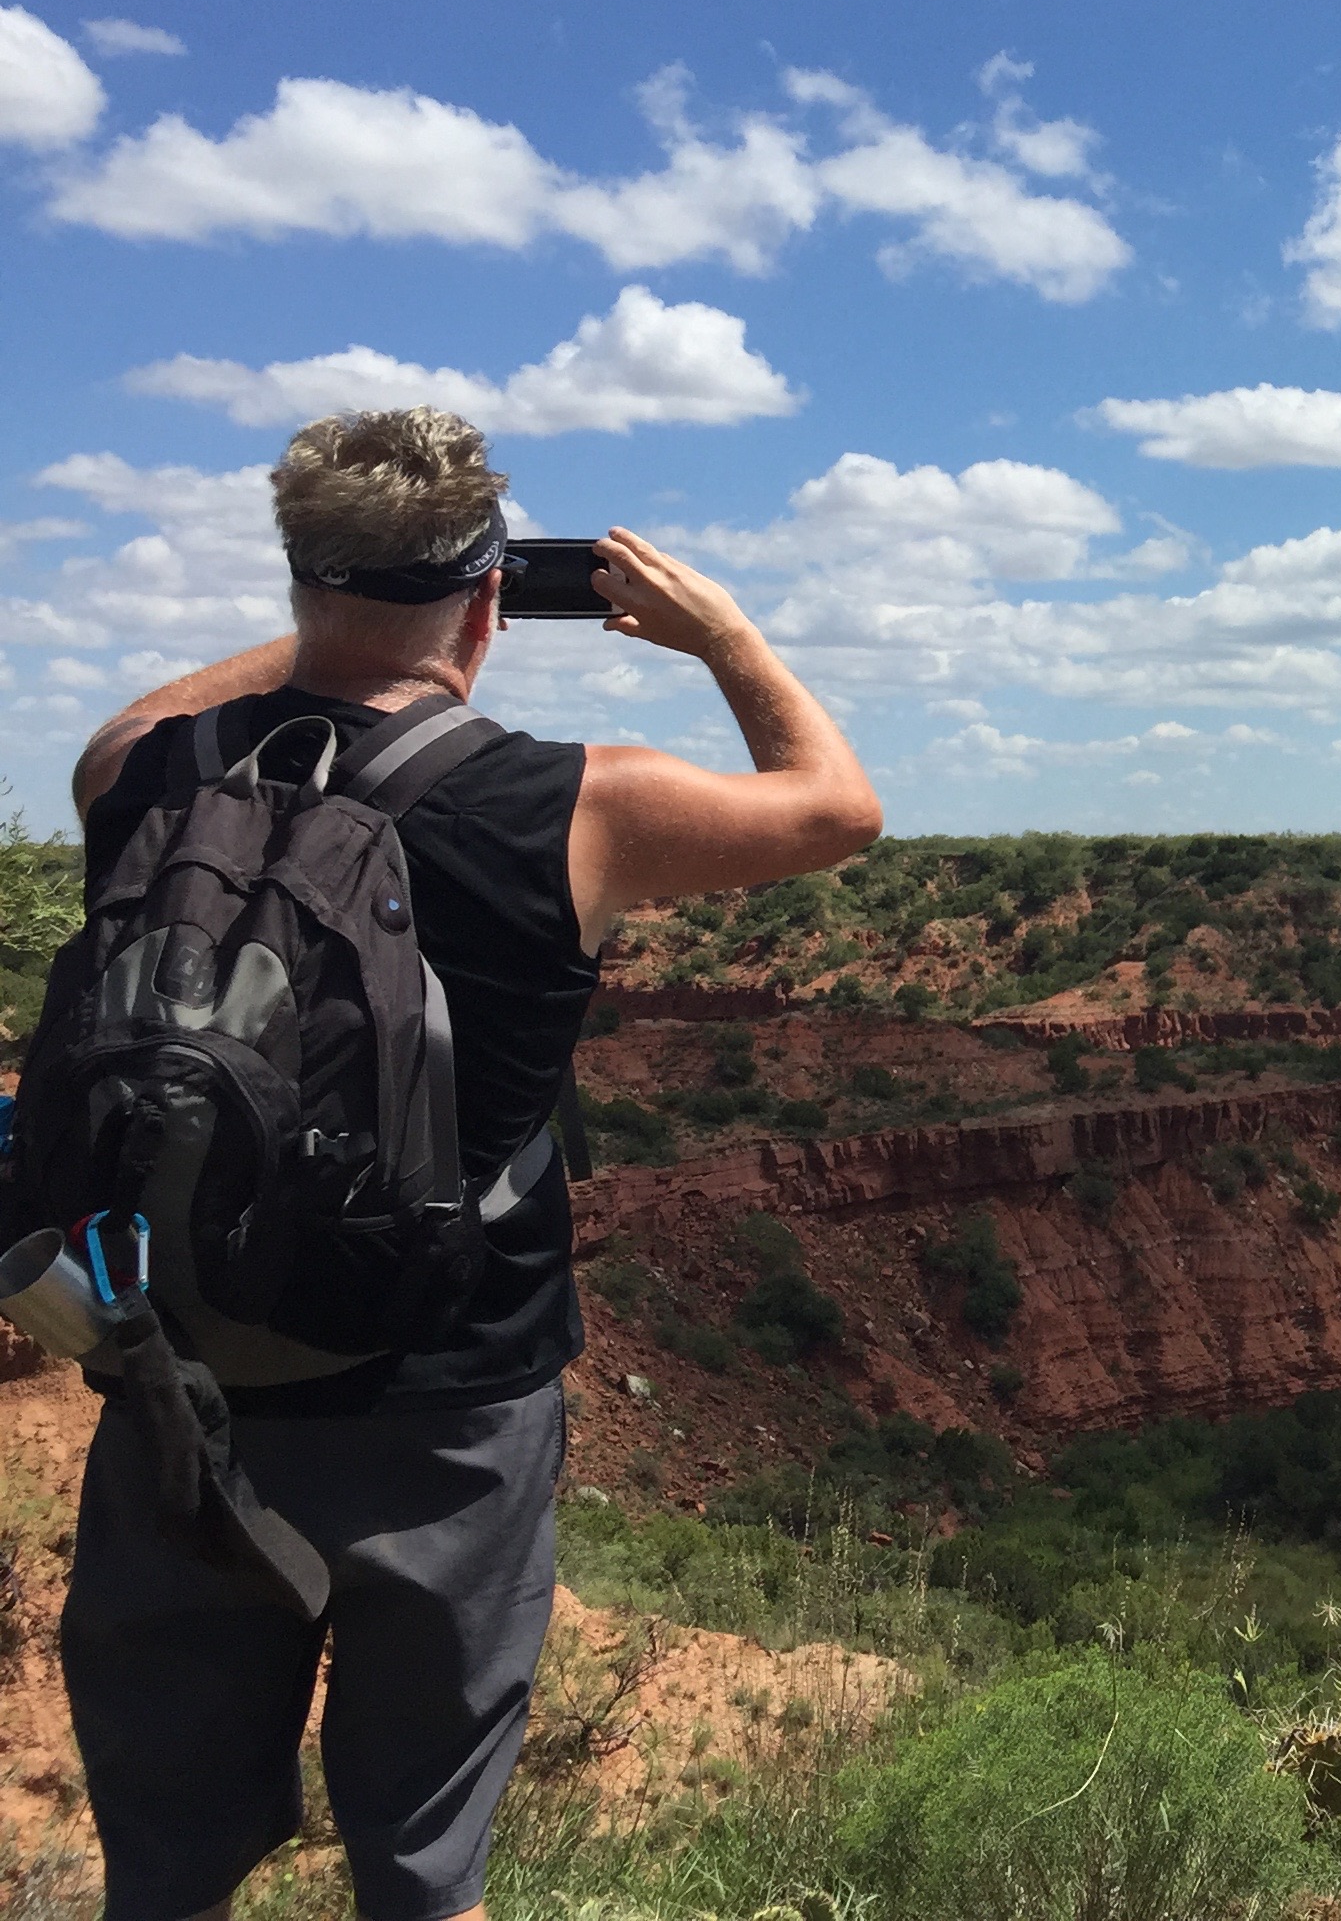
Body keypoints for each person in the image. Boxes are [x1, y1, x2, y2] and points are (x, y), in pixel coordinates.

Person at [56, 407, 882, 1921]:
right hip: (445, 1401)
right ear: (492, 595)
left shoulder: (140, 779)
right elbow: (840, 806)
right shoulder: (581, 805)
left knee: (161, 1871)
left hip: (182, 1377)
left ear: (303, 574)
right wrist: (723, 637)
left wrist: (328, 620)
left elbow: (138, 728)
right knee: (425, 1868)